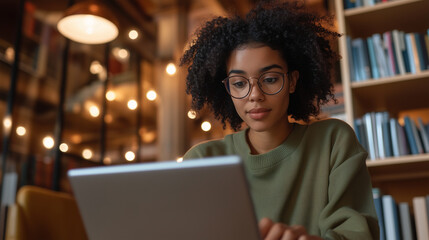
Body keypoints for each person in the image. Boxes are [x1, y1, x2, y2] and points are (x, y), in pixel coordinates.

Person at [180, 1, 379, 239]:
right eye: (239, 83)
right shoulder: (203, 160)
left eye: (270, 79)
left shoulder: (333, 141)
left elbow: (357, 234)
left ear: (292, 81)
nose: (255, 95)